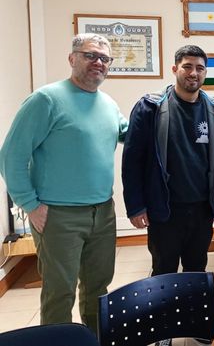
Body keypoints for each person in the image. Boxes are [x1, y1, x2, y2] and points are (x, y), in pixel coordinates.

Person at [0, 33, 127, 332]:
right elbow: (11, 155)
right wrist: (30, 204)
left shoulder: (107, 103)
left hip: (102, 212)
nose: (98, 62)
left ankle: (94, 338)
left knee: (99, 288)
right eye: (90, 55)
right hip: (58, 215)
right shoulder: (46, 99)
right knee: (60, 291)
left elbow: (128, 132)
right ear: (72, 59)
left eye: (104, 58)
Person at [122, 45, 214, 280]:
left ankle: (193, 317)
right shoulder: (149, 107)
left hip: (202, 209)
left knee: (196, 270)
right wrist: (136, 206)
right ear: (175, 69)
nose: (194, 73)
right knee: (164, 272)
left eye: (200, 68)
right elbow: (132, 160)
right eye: (187, 67)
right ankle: (165, 317)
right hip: (165, 209)